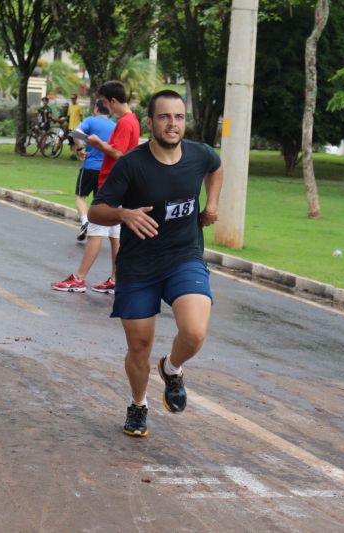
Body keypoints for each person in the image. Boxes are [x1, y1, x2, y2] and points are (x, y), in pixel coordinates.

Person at [88, 89, 223, 438]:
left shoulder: (198, 154)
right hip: (138, 267)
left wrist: (211, 205)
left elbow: (216, 167)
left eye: (178, 117)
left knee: (194, 332)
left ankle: (172, 369)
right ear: (150, 122)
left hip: (184, 257)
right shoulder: (132, 164)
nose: (172, 124)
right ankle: (138, 404)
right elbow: (95, 210)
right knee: (139, 347)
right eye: (164, 117)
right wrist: (124, 214)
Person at [51, 80, 140, 294]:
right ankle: (116, 278)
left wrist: (98, 144)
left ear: (112, 101)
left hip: (112, 184)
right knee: (114, 234)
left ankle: (79, 278)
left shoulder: (125, 122)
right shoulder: (132, 120)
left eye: (104, 102)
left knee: (95, 230)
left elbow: (119, 153)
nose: (104, 107)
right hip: (120, 184)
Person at [72, 100, 115, 241]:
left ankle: (85, 222)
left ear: (96, 108)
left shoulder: (91, 120)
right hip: (106, 170)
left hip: (89, 166)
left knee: (81, 197)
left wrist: (80, 148)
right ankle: (96, 231)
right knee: (98, 201)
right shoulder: (114, 126)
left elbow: (75, 133)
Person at [67, 93, 85, 159]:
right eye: (71, 98)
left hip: (76, 126)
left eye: (74, 98)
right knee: (71, 141)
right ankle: (74, 154)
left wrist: (81, 125)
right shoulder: (70, 106)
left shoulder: (79, 106)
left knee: (76, 141)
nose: (72, 99)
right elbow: (69, 116)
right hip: (70, 126)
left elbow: (81, 116)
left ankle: (75, 154)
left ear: (76, 99)